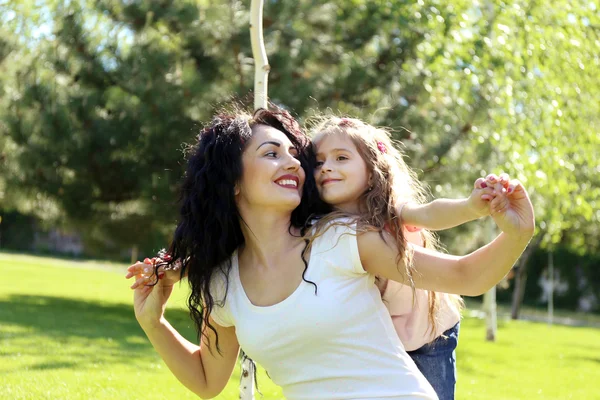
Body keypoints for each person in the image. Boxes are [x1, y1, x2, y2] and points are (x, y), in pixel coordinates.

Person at [126, 107, 534, 399]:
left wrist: (517, 235)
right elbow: (206, 382)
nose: (295, 164)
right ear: (231, 182)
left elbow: (465, 277)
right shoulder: (223, 282)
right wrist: (153, 322)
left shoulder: (340, 239)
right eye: (271, 153)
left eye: (293, 153)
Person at [310, 116, 506, 399]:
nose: (326, 166)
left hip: (430, 337)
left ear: (372, 170)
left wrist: (471, 207)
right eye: (318, 161)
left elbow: (430, 213)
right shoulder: (324, 228)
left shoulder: (391, 209)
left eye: (341, 157)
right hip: (381, 343)